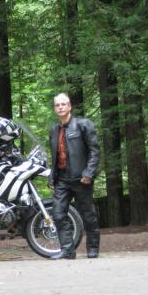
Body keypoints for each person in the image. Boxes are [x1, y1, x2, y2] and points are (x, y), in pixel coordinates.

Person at [48, 93, 101, 259]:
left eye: (64, 104)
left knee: (88, 215)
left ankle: (92, 248)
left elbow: (95, 150)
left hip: (81, 179)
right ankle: (68, 250)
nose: (61, 107)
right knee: (58, 214)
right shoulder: (54, 130)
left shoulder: (83, 125)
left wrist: (89, 172)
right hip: (62, 180)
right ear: (55, 108)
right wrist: (52, 177)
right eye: (57, 105)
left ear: (70, 106)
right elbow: (56, 156)